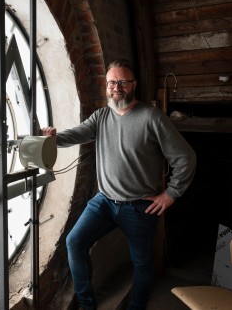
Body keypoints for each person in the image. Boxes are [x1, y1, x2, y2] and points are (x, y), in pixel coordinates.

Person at [41, 59, 196, 310]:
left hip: (140, 207)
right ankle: (87, 304)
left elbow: (185, 157)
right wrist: (52, 139)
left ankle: (136, 307)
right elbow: (77, 134)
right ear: (106, 86)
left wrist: (170, 194)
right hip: (103, 201)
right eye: (112, 82)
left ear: (133, 85)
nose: (116, 87)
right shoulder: (102, 116)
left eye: (122, 82)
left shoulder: (152, 117)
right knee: (74, 242)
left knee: (142, 263)